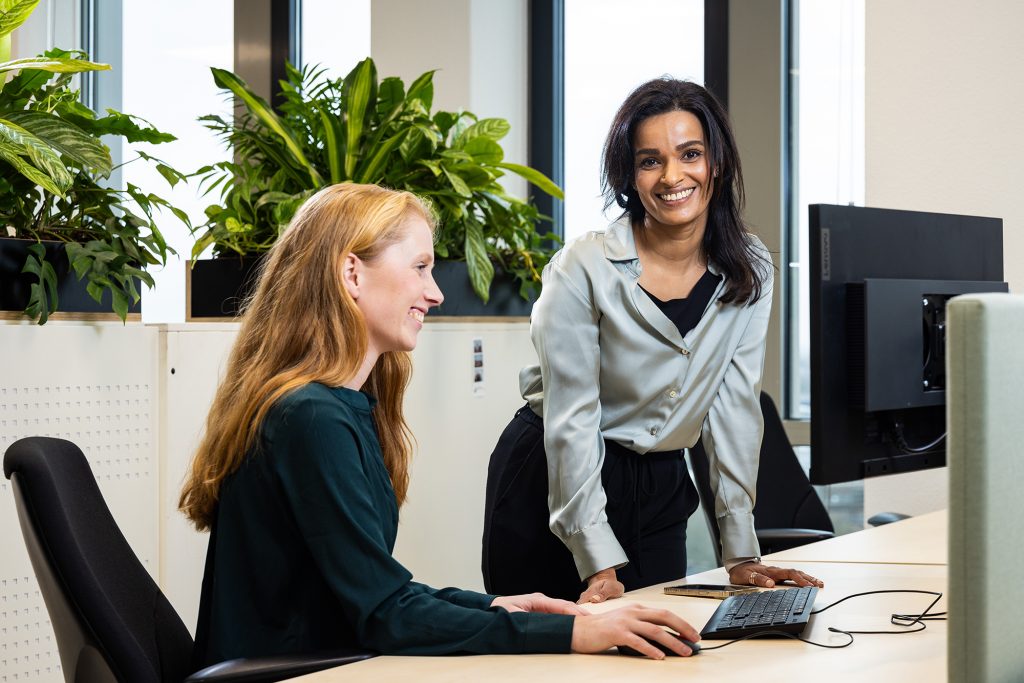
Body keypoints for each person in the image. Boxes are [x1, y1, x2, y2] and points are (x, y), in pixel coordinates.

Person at [178, 183, 700, 666]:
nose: (436, 293)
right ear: (352, 274)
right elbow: (386, 613)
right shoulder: (310, 418)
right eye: (420, 267)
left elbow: (379, 590)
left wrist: (502, 606)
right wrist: (575, 635)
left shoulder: (333, 407)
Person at [482, 79, 824, 604]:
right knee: (550, 658)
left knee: (662, 648)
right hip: (554, 475)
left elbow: (733, 406)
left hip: (661, 483)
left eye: (691, 154)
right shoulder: (583, 268)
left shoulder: (750, 269)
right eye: (649, 161)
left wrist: (742, 553)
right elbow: (572, 418)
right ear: (629, 176)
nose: (672, 176)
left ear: (718, 163)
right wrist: (597, 563)